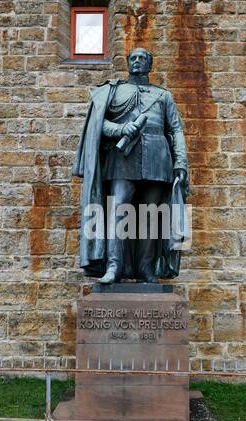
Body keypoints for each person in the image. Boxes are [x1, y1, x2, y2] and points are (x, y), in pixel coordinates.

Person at [73, 48, 189, 284]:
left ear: (149, 65)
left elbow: (175, 129)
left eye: (142, 58)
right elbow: (99, 124)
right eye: (133, 58)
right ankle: (113, 267)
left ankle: (146, 270)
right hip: (121, 159)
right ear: (128, 63)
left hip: (158, 159)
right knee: (118, 213)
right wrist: (121, 129)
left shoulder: (163, 95)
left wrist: (181, 162)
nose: (137, 61)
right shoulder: (113, 92)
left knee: (151, 217)